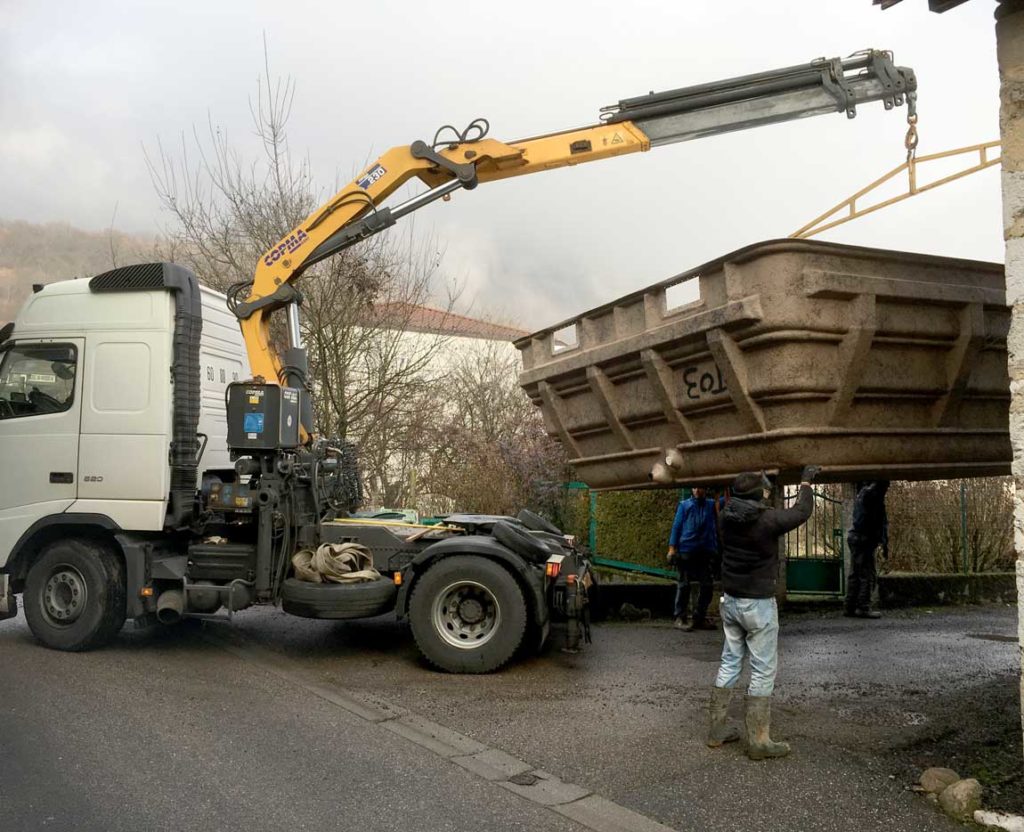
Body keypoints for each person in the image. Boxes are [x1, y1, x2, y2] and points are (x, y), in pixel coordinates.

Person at [706, 468, 816, 760]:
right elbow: (802, 511)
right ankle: (759, 741)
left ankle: (716, 731)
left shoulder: (723, 518)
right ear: (758, 494)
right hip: (758, 605)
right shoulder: (767, 520)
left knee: (730, 662)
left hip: (730, 600)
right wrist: (805, 481)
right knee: (763, 668)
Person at [666, 486, 718, 632]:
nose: (697, 491)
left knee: (707, 585)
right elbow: (676, 527)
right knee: (684, 585)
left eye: (700, 488)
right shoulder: (685, 505)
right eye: (694, 488)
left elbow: (716, 523)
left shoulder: (710, 504)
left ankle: (699, 617)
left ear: (705, 489)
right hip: (686, 550)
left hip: (704, 551)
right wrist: (672, 549)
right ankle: (679, 617)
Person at [845, 480, 890, 619]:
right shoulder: (873, 495)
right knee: (867, 573)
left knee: (855, 573)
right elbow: (878, 522)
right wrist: (882, 542)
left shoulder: (863, 493)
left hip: (855, 537)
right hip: (864, 538)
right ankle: (863, 607)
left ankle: (850, 606)